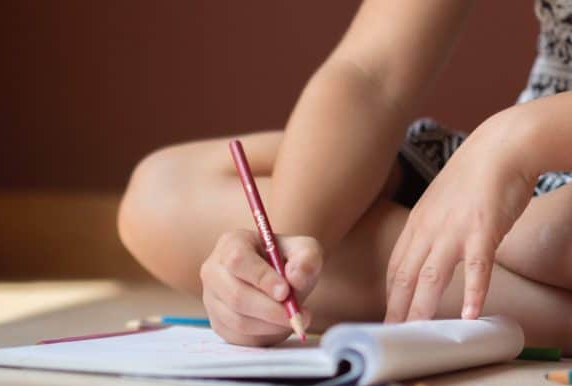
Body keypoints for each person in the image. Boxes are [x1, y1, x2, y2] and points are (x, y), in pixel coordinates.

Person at [118, 0, 572, 349]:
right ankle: (530, 295)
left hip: (524, 150)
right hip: (506, 167)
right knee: (163, 194)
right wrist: (286, 256)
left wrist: (515, 140)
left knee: (549, 235)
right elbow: (372, 75)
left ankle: (501, 282)